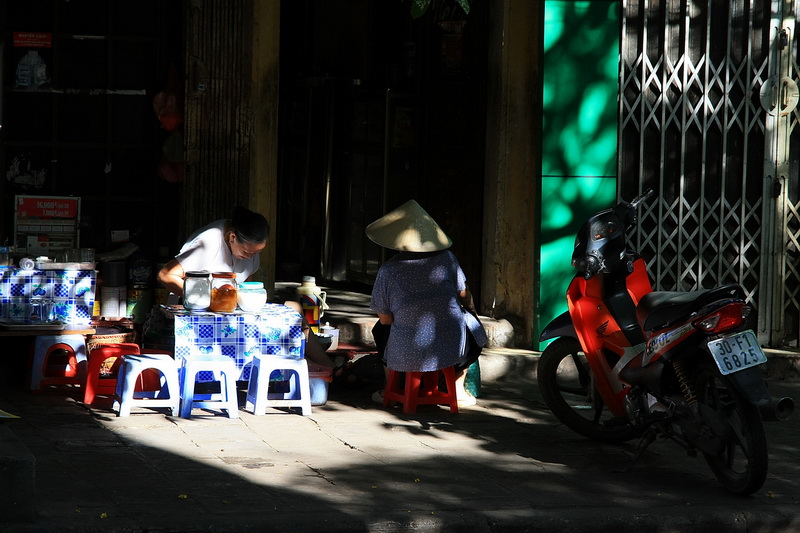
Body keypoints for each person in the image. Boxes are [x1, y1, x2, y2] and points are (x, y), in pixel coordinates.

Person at [157, 206, 333, 368]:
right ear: (232, 237)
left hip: (229, 310)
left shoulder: (249, 249)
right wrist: (206, 301)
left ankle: (324, 365)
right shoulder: (209, 242)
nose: (251, 257)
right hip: (197, 312)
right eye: (247, 252)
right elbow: (165, 275)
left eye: (257, 253)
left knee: (294, 309)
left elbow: (246, 283)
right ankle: (310, 366)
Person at [366, 199, 486, 407]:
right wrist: (472, 311)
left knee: (381, 329)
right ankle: (457, 389)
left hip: (406, 347)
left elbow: (385, 320)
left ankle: (390, 388)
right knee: (472, 326)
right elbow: (464, 295)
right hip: (452, 345)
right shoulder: (448, 259)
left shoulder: (388, 270)